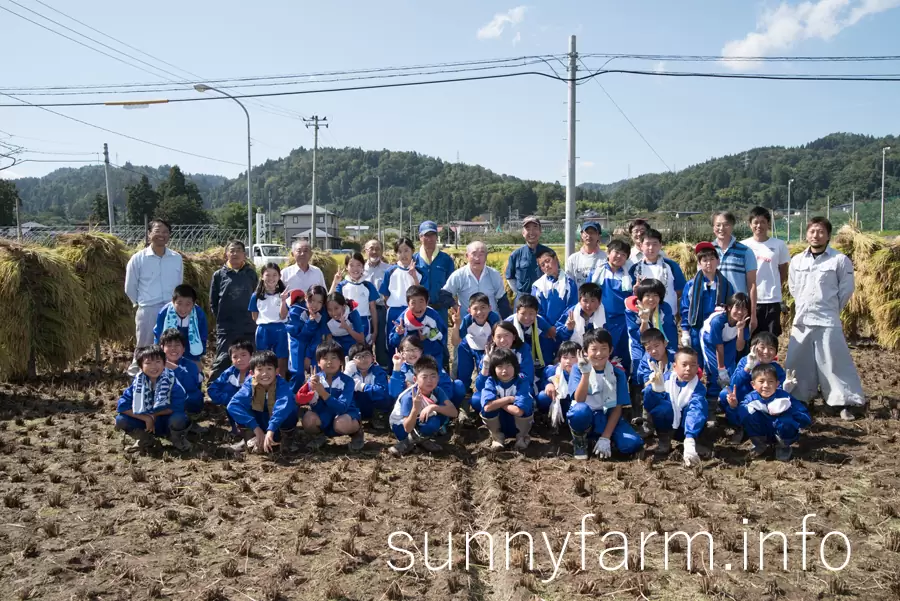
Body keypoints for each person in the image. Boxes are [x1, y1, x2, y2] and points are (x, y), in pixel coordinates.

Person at [785, 217, 865, 421]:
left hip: (827, 319)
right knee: (798, 362)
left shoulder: (839, 260)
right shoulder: (797, 261)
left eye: (820, 231)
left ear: (828, 235)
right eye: (812, 231)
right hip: (802, 319)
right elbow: (794, 288)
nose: (816, 235)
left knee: (833, 362)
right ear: (806, 234)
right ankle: (801, 399)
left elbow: (846, 290)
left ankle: (842, 402)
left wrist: (830, 308)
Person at [567, 330, 643, 460]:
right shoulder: (578, 369)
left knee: (632, 443)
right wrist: (585, 374)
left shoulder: (617, 373)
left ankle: (604, 439)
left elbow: (618, 408)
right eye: (594, 349)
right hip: (586, 415)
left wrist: (606, 437)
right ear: (585, 351)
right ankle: (580, 441)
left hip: (607, 415)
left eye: (604, 349)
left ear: (611, 350)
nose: (599, 354)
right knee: (579, 411)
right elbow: (579, 399)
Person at [125, 219, 183, 376]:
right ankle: (137, 379)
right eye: (157, 231)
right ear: (149, 233)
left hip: (171, 310)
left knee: (170, 347)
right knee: (144, 346)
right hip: (148, 309)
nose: (161, 235)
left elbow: (179, 284)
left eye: (165, 232)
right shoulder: (138, 259)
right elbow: (129, 287)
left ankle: (165, 378)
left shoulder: (176, 258)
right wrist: (141, 303)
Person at [115, 344, 191, 453]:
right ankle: (144, 439)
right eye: (148, 363)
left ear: (164, 363)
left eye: (158, 362)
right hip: (145, 424)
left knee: (179, 417)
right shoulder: (137, 384)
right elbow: (122, 406)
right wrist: (146, 418)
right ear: (141, 366)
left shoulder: (172, 382)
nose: (153, 367)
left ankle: (176, 438)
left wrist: (153, 415)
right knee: (120, 420)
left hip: (165, 421)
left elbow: (176, 407)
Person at [728, 363, 811, 461]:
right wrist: (733, 407)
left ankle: (783, 446)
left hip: (782, 432)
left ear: (777, 384)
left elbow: (806, 418)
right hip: (762, 431)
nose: (766, 385)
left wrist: (788, 409)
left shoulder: (784, 397)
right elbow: (737, 420)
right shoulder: (750, 399)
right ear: (753, 385)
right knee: (747, 413)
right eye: (761, 381)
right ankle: (759, 444)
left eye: (770, 381)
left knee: (786, 420)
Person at [719, 331, 792, 441]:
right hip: (744, 395)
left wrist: (786, 388)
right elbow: (734, 383)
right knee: (726, 394)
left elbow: (780, 390)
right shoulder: (745, 361)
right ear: (753, 348)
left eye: (771, 348)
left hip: (764, 401)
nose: (766, 352)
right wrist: (748, 367)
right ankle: (738, 425)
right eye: (762, 347)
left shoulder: (775, 368)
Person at [642, 346, 707, 465]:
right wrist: (654, 390)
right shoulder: (664, 379)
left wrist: (690, 439)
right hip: (667, 425)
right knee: (663, 408)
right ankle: (664, 440)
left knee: (700, 405)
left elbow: (695, 410)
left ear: (698, 367)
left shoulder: (698, 387)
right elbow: (649, 404)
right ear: (674, 366)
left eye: (693, 365)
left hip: (685, 429)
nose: (688, 369)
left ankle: (690, 442)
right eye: (684, 364)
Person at [227, 350, 299, 454]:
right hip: (258, 424)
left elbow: (283, 406)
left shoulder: (282, 385)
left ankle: (286, 439)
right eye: (260, 369)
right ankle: (251, 438)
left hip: (276, 426)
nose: (265, 374)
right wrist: (255, 428)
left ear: (277, 371)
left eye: (269, 369)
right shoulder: (249, 385)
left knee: (289, 407)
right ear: (252, 373)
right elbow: (233, 405)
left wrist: (271, 430)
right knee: (240, 408)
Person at [298, 340, 364, 451]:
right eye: (325, 358)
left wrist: (322, 392)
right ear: (318, 362)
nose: (329, 362)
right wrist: (310, 391)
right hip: (324, 416)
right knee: (308, 419)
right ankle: (319, 437)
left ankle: (356, 432)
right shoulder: (314, 379)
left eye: (334, 358)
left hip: (344, 415)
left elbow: (342, 407)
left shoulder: (348, 381)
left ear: (341, 362)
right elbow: (307, 403)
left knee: (340, 424)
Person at [388, 355, 459, 456]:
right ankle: (410, 442)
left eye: (433, 376)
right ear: (415, 379)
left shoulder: (437, 390)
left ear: (438, 377)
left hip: (418, 422)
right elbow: (407, 428)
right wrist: (415, 408)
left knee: (442, 414)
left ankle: (420, 440)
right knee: (433, 422)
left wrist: (433, 407)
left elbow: (454, 412)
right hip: (401, 427)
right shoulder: (409, 396)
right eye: (424, 377)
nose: (430, 380)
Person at [209, 240, 258, 381]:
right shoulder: (219, 275)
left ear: (244, 254)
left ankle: (251, 388)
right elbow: (213, 302)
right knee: (223, 359)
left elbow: (257, 298)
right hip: (226, 326)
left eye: (238, 250)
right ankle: (215, 389)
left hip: (248, 324)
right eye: (232, 250)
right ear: (226, 254)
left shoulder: (251, 274)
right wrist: (222, 318)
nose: (235, 253)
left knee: (249, 358)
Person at [680, 242, 734, 368]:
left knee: (715, 363)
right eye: (704, 260)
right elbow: (685, 308)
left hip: (715, 330)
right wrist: (685, 331)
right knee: (696, 363)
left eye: (711, 259)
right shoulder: (691, 285)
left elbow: (731, 307)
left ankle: (714, 386)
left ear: (718, 261)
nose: (708, 263)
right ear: (699, 263)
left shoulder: (725, 285)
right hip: (696, 328)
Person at [742, 207, 791, 337]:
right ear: (750, 224)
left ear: (768, 224)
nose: (759, 226)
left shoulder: (779, 244)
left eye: (763, 222)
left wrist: (775, 286)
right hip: (749, 300)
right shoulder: (743, 246)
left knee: (770, 339)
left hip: (772, 300)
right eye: (756, 222)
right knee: (750, 338)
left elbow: (783, 270)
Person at [470, 322, 534, 415]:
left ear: (514, 336)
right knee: (476, 399)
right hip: (495, 391)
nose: (503, 340)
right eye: (498, 336)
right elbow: (480, 386)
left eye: (507, 335)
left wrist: (507, 386)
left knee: (527, 400)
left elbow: (528, 377)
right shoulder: (489, 353)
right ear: (493, 338)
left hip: (518, 389)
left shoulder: (523, 350)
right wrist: (486, 365)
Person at [590, 239, 634, 375]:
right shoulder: (597, 273)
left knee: (623, 353)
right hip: (602, 318)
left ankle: (625, 385)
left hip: (624, 320)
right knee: (603, 351)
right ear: (608, 253)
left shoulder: (629, 276)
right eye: (616, 252)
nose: (619, 256)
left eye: (623, 254)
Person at [477, 348, 535, 451]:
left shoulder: (521, 380)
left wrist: (499, 401)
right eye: (500, 366)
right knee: (486, 411)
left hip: (516, 424)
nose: (504, 370)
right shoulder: (491, 381)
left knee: (527, 408)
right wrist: (509, 399)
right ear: (493, 369)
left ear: (515, 366)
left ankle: (522, 437)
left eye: (508, 365)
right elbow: (487, 407)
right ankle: (497, 438)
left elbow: (519, 411)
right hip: (500, 423)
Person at [711, 211, 758, 332]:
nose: (721, 228)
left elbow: (752, 285)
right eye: (718, 225)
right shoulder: (707, 251)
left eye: (726, 224)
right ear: (713, 227)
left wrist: (753, 314)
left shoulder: (745, 251)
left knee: (738, 346)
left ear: (732, 226)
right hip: (713, 309)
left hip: (738, 311)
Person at [388, 336, 465, 410]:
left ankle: (453, 410)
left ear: (421, 351)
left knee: (458, 386)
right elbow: (394, 394)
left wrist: (432, 396)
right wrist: (396, 368)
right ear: (401, 353)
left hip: (436, 402)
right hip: (412, 406)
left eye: (415, 349)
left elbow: (446, 386)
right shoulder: (400, 369)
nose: (412, 353)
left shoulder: (431, 364)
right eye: (408, 350)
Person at [625, 278, 678, 383]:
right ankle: (638, 393)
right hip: (640, 344)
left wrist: (671, 351)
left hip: (662, 342)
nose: (651, 299)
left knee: (668, 365)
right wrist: (644, 321)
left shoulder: (664, 308)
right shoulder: (631, 311)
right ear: (640, 296)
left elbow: (670, 332)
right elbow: (636, 337)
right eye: (647, 295)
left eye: (655, 295)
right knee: (638, 368)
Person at [379, 237, 424, 360]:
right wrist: (391, 306)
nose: (403, 254)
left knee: (414, 342)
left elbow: (422, 293)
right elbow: (385, 293)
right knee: (394, 341)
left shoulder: (419, 271)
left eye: (406, 250)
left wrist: (414, 276)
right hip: (395, 311)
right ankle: (393, 369)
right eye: (400, 251)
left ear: (413, 251)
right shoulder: (390, 271)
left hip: (414, 312)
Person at [700, 293, 751, 401]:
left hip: (730, 339)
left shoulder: (744, 322)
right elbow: (719, 346)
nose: (740, 312)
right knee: (715, 369)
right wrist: (721, 368)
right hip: (710, 339)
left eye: (744, 309)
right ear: (729, 308)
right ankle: (712, 398)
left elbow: (739, 348)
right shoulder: (718, 321)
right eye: (737, 308)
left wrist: (740, 329)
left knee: (731, 368)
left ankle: (725, 398)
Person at [450, 292, 501, 396]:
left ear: (490, 308)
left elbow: (499, 338)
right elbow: (455, 342)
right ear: (469, 310)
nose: (479, 312)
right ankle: (464, 393)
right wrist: (456, 325)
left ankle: (486, 392)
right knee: (463, 370)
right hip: (469, 345)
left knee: (485, 371)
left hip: (486, 347)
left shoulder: (494, 319)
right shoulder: (468, 320)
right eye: (475, 309)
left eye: (483, 307)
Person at [628, 229, 686, 317]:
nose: (651, 248)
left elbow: (680, 290)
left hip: (668, 315)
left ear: (660, 245)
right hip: (644, 315)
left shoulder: (671, 266)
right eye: (647, 244)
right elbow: (632, 294)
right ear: (641, 246)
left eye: (655, 244)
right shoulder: (634, 269)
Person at [442, 240, 508, 316]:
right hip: (467, 321)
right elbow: (444, 294)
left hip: (491, 321)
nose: (477, 258)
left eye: (481, 254)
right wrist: (456, 307)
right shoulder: (458, 275)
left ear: (486, 256)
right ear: (467, 256)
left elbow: (502, 300)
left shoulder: (494, 274)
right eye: (474, 254)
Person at [388, 284, 448, 368]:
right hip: (409, 360)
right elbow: (393, 343)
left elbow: (442, 340)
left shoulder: (434, 317)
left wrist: (425, 340)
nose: (417, 306)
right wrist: (399, 334)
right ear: (408, 304)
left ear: (427, 302)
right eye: (413, 302)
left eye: (421, 301)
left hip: (431, 357)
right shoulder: (403, 319)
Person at [159, 328, 206, 434]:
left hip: (184, 403)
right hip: (162, 403)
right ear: (162, 348)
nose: (173, 349)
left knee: (194, 397)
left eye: (177, 345)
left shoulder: (190, 365)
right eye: (169, 345)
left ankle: (188, 422)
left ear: (184, 348)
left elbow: (191, 385)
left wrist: (175, 369)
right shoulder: (156, 365)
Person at [248, 263, 291, 378]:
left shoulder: (285, 294)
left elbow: (283, 316)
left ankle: (281, 386)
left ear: (279, 276)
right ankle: (265, 384)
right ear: (262, 276)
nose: (271, 278)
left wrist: (282, 301)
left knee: (281, 359)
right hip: (263, 330)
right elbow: (254, 316)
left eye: (274, 275)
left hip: (280, 330)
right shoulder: (256, 296)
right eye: (267, 275)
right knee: (264, 360)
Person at [414, 220, 456, 331]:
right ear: (420, 237)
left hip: (440, 309)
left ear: (436, 237)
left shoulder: (446, 259)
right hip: (419, 311)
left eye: (432, 235)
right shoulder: (414, 259)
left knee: (440, 341)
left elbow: (451, 285)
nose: (429, 239)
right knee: (419, 344)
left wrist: (452, 304)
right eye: (426, 235)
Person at [285, 286, 328, 393]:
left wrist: (308, 355)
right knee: (298, 373)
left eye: (319, 302)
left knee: (316, 371)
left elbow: (318, 335)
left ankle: (313, 398)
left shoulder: (322, 312)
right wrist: (310, 322)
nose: (315, 305)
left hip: (313, 344)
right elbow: (297, 334)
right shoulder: (296, 310)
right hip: (297, 343)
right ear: (306, 298)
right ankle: (292, 399)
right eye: (312, 300)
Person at [207, 339, 254, 436]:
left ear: (252, 355)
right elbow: (212, 388)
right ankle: (236, 427)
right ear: (231, 359)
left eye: (243, 355)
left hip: (253, 407)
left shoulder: (256, 372)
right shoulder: (229, 372)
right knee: (227, 388)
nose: (239, 359)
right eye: (235, 357)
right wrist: (227, 399)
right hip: (233, 406)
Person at [153, 284, 208, 366]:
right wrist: (158, 355)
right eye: (179, 303)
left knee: (194, 373)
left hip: (191, 351)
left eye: (188, 304)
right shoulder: (164, 312)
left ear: (194, 303)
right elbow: (158, 335)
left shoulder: (199, 314)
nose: (183, 308)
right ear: (173, 301)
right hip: (169, 352)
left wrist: (197, 357)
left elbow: (202, 336)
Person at [332, 251, 379, 345]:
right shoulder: (341, 285)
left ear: (363, 266)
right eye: (351, 265)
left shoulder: (368, 286)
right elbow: (330, 300)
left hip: (364, 323)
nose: (355, 268)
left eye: (358, 265)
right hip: (347, 323)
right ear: (346, 267)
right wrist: (335, 282)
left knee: (363, 352)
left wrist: (375, 331)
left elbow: (373, 309)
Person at [506, 293, 556, 379]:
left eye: (531, 313)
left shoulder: (541, 322)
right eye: (523, 313)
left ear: (537, 313)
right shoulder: (508, 324)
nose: (527, 318)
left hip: (535, 358)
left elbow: (552, 336)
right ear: (516, 311)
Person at [344, 343, 390, 430]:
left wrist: (362, 386)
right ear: (352, 361)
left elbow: (382, 391)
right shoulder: (350, 372)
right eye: (358, 356)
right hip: (356, 407)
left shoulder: (378, 371)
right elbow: (342, 392)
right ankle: (354, 418)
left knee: (385, 394)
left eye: (366, 355)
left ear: (373, 357)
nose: (363, 359)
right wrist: (347, 374)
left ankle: (378, 418)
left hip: (373, 407)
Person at [505, 216, 552, 301]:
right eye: (528, 229)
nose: (531, 232)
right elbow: (510, 277)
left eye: (535, 228)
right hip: (522, 299)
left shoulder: (550, 253)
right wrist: (520, 292)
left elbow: (556, 274)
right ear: (523, 233)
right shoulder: (516, 255)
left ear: (540, 231)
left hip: (545, 298)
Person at [537, 341, 580, 425]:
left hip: (572, 403)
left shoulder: (583, 373)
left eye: (573, 357)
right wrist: (548, 384)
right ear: (560, 358)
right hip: (557, 400)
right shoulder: (553, 370)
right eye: (565, 357)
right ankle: (547, 416)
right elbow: (543, 380)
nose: (568, 361)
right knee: (543, 396)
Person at [532, 247, 578, 327]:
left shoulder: (569, 283)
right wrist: (547, 328)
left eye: (547, 261)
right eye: (542, 265)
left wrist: (559, 325)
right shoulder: (537, 286)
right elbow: (536, 310)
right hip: (545, 331)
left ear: (556, 259)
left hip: (565, 327)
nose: (546, 265)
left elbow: (572, 306)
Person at [362, 239, 391, 367]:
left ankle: (384, 370)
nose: (374, 252)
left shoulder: (388, 269)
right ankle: (365, 369)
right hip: (364, 311)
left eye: (377, 248)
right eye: (371, 248)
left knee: (381, 341)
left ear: (382, 251)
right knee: (364, 342)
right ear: (365, 250)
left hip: (381, 309)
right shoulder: (359, 268)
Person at [565, 221, 608, 287]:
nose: (589, 235)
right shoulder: (573, 259)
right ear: (582, 235)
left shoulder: (606, 258)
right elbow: (569, 283)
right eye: (586, 232)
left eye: (592, 232)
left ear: (599, 236)